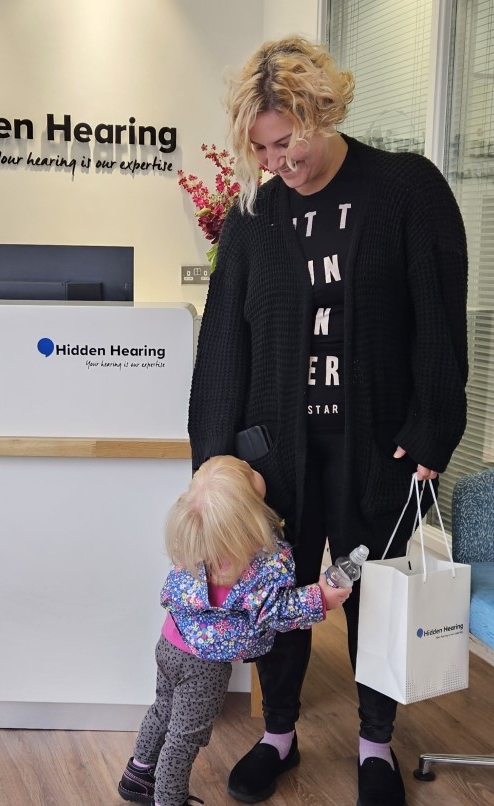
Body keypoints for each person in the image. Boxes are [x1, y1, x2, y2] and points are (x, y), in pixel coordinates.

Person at [187, 36, 468, 806]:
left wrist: (434, 425)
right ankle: (277, 737)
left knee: (372, 592)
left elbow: (439, 322)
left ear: (324, 110)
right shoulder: (252, 215)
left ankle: (374, 746)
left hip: (375, 445)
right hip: (271, 453)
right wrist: (212, 459)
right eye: (265, 148)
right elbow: (223, 344)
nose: (282, 162)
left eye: (291, 140)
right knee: (276, 594)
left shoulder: (405, 189)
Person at [117, 455, 350, 806]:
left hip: (169, 643)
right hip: (203, 667)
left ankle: (137, 773)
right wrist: (322, 598)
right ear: (247, 518)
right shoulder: (252, 565)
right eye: (249, 474)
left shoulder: (196, 539)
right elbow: (278, 610)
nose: (255, 467)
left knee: (163, 708)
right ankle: (168, 799)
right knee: (184, 738)